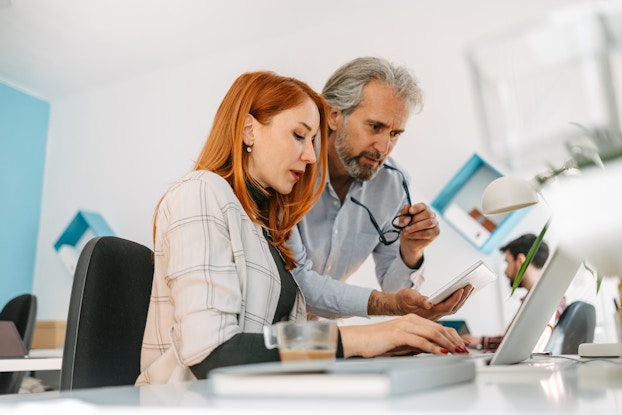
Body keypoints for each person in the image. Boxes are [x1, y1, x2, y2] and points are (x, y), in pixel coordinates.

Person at [136, 71, 468, 385]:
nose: (311, 156)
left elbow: (279, 335)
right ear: (249, 130)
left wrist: (386, 343)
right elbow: (213, 352)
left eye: (313, 140)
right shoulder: (201, 192)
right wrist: (359, 339)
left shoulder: (266, 219)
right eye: (299, 136)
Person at [288, 56, 473, 320]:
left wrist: (411, 251)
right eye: (376, 127)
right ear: (333, 115)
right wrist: (387, 304)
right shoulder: (291, 168)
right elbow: (299, 286)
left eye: (395, 134)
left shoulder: (393, 184)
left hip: (314, 337)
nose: (384, 148)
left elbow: (395, 290)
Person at [462, 233, 566, 352]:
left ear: (521, 261)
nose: (506, 271)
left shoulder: (544, 302)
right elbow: (515, 340)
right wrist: (481, 341)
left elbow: (519, 349)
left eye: (508, 262)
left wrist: (478, 351)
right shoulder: (549, 297)